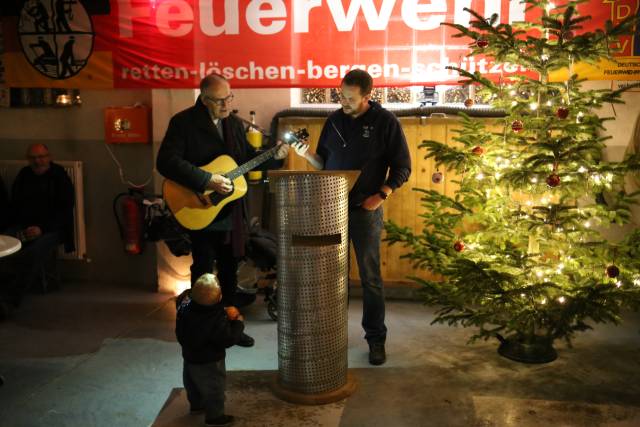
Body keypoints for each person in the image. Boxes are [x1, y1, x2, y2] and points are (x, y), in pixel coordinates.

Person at [157, 73, 289, 347]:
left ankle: (231, 326)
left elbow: (242, 162)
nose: (227, 104)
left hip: (229, 212)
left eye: (229, 97)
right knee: (204, 269)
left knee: (230, 270)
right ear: (204, 100)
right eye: (220, 100)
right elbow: (167, 162)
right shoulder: (183, 123)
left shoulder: (233, 125)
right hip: (199, 207)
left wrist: (273, 158)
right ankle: (200, 327)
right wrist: (207, 180)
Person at [291, 69, 411, 365]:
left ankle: (375, 339)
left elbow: (403, 168)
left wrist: (380, 195)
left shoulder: (386, 123)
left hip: (365, 212)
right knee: (331, 277)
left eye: (349, 98)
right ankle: (332, 336)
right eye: (340, 95)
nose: (343, 101)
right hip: (331, 209)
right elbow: (323, 165)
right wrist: (305, 154)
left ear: (367, 96)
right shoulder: (333, 121)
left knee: (370, 278)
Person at [0, 143, 75, 307]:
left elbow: (64, 210)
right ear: (28, 159)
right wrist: (22, 227)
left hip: (53, 229)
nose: (38, 161)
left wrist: (42, 228)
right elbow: (16, 205)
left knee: (32, 253)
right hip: (26, 226)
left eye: (41, 157)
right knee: (4, 243)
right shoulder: (24, 175)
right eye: (33, 158)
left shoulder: (59, 177)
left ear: (49, 157)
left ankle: (9, 301)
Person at [176, 273, 244, 427]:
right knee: (214, 388)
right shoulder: (216, 318)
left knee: (191, 382)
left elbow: (182, 297)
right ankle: (215, 417)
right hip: (210, 361)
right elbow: (228, 339)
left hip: (189, 356)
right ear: (219, 298)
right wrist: (238, 323)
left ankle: (197, 406)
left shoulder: (184, 303)